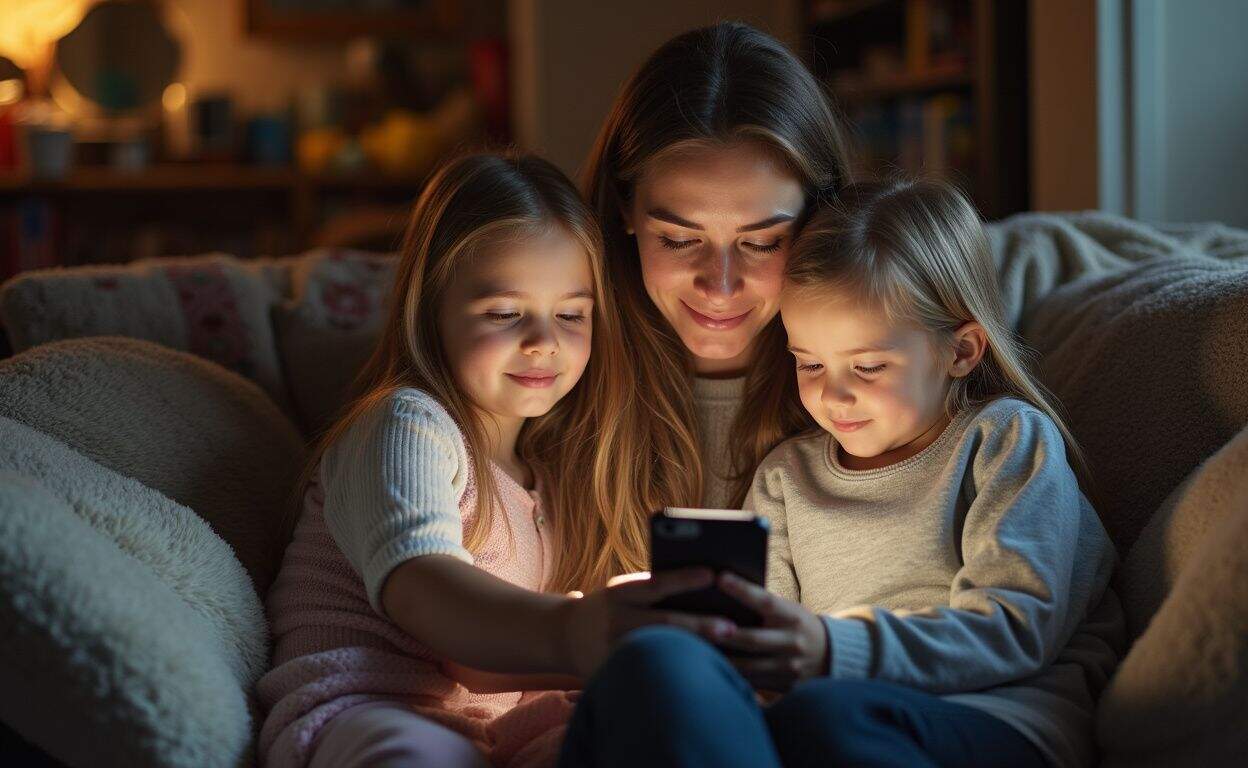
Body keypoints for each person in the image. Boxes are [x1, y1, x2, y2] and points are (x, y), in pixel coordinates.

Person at [559, 178, 1127, 768]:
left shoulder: (1004, 440)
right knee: (654, 672)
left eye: (869, 365)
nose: (834, 395)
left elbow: (1017, 625)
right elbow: (763, 644)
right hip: (825, 720)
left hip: (998, 721)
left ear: (960, 351)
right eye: (808, 363)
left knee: (823, 716)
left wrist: (833, 649)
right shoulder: (787, 477)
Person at [255, 153, 729, 768]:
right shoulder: (404, 425)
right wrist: (581, 631)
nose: (544, 342)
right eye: (505, 314)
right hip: (366, 708)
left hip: (494, 731)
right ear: (433, 311)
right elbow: (433, 599)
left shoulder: (551, 476)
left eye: (570, 315)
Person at [583, 21, 852, 509]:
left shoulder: (881, 380)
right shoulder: (555, 366)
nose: (720, 287)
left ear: (819, 219)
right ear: (625, 208)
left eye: (763, 243)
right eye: (680, 240)